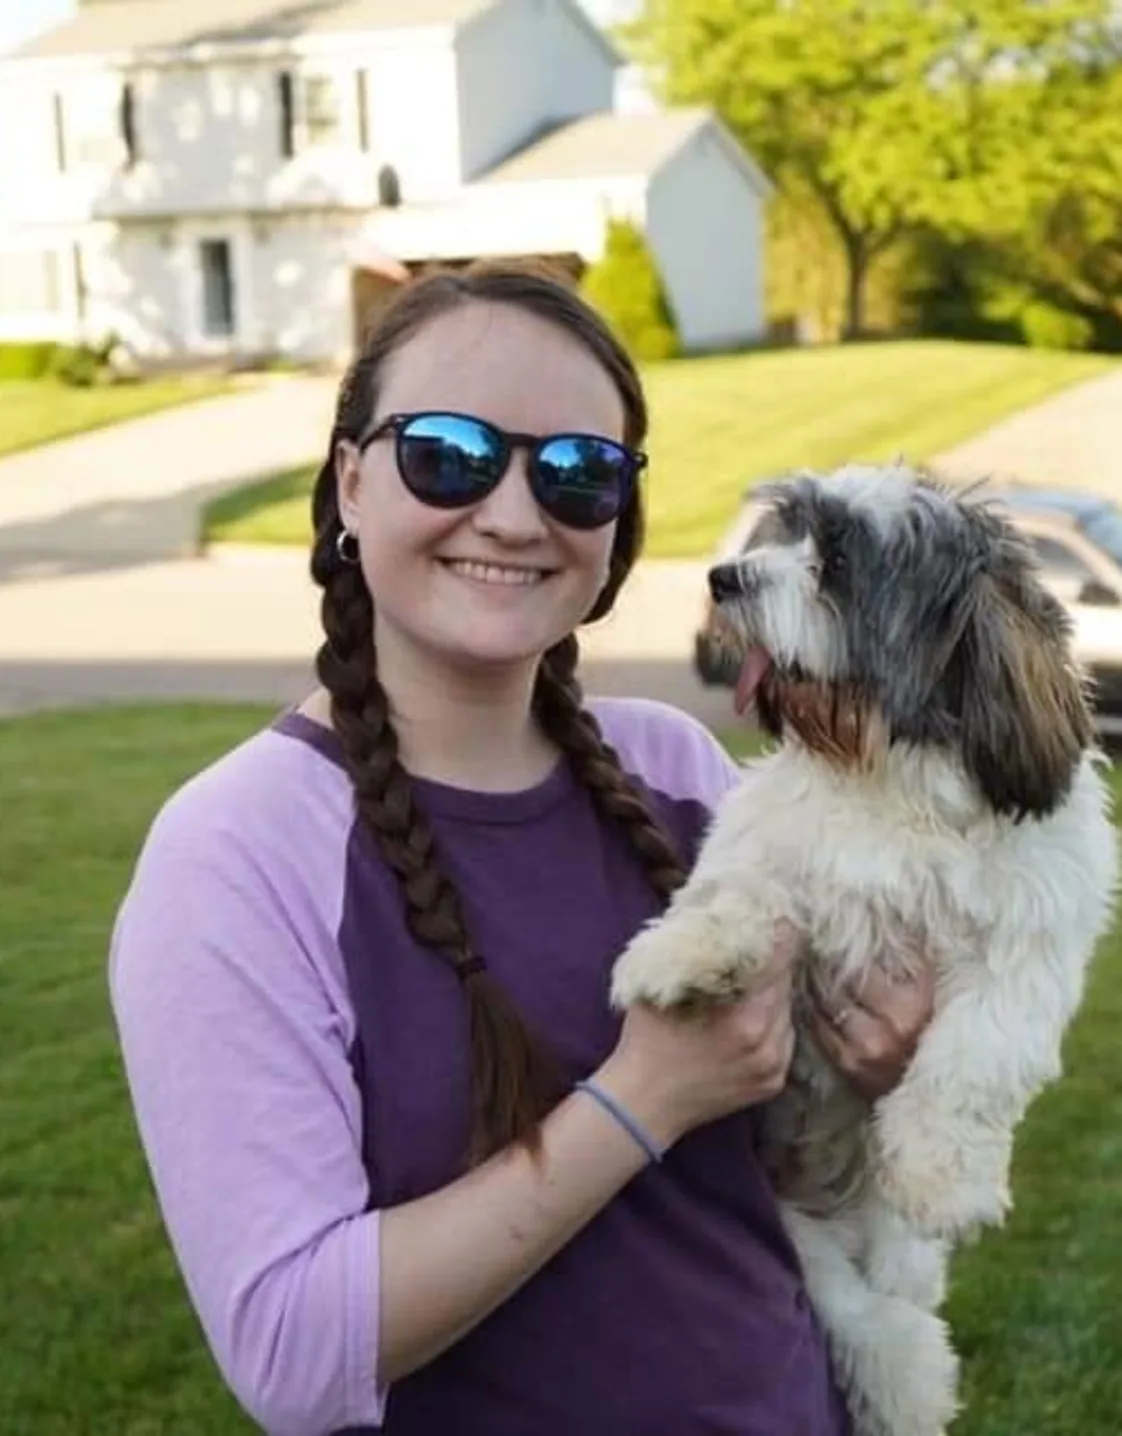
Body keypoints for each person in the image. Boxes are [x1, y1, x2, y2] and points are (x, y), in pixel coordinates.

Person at [108, 261, 935, 1436]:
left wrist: (874, 1062)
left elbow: (786, 1174)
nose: (511, 512)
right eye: (449, 452)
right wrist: (642, 1095)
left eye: (576, 473)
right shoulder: (238, 853)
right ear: (350, 480)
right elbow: (293, 1353)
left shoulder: (678, 770)